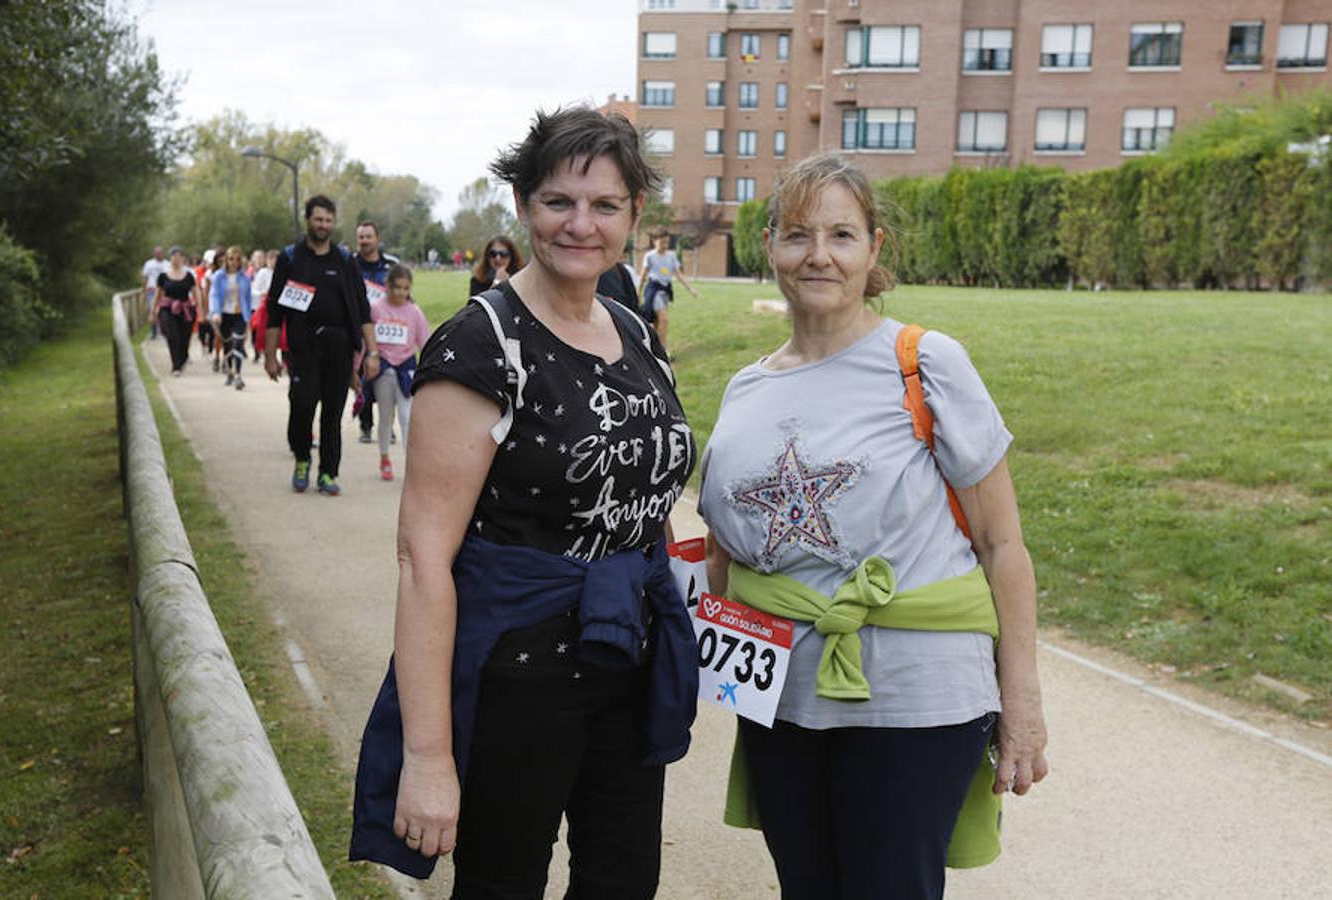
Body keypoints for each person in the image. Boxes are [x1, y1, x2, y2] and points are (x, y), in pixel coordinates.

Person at [349, 106, 699, 898]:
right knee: (503, 886)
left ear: (634, 215)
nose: (582, 225)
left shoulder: (632, 328)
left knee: (621, 883)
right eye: (558, 203)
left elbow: (647, 492)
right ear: (521, 205)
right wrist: (429, 756)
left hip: (627, 659)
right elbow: (423, 560)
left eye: (605, 205)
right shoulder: (480, 344)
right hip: (520, 676)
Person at [698, 154, 1049, 900]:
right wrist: (720, 678)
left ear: (874, 250)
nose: (818, 254)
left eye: (841, 234)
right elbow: (727, 553)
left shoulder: (925, 364)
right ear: (770, 247)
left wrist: (1022, 706)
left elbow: (1002, 545)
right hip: (783, 700)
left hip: (915, 699)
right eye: (798, 234)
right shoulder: (746, 388)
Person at [264, 195, 380, 496]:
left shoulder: (344, 261)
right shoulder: (291, 258)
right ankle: (302, 458)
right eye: (318, 219)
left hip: (339, 348)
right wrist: (270, 355)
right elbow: (274, 310)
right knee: (302, 405)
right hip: (303, 347)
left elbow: (362, 308)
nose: (323, 225)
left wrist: (372, 351)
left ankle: (328, 472)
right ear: (308, 220)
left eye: (328, 220)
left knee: (333, 412)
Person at [366, 263, 430, 481]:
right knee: (385, 417)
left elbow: (425, 342)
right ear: (388, 286)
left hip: (406, 370)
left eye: (405, 288)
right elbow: (367, 340)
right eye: (397, 288)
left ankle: (411, 465)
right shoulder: (376, 308)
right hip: (384, 370)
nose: (401, 293)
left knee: (407, 418)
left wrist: (430, 371)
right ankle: (384, 458)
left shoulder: (414, 312)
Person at [355, 220, 400, 443]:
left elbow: (404, 293)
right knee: (364, 380)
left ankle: (387, 425)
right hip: (361, 332)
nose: (364, 241)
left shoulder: (392, 264)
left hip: (388, 332)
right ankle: (365, 425)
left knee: (388, 382)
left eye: (368, 236)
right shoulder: (350, 264)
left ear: (377, 239)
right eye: (361, 237)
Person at [636, 232, 697, 346]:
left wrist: (690, 289)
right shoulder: (650, 256)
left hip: (665, 291)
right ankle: (662, 352)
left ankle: (652, 349)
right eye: (662, 242)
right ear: (655, 241)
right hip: (654, 290)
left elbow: (678, 274)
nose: (665, 245)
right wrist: (638, 292)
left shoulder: (671, 256)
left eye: (667, 242)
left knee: (658, 322)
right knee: (664, 319)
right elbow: (643, 275)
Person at [147, 246, 200, 375]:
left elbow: (196, 293)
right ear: (170, 258)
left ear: (183, 258)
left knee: (184, 337)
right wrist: (153, 311)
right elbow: (158, 294)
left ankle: (182, 359)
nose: (176, 259)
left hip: (185, 308)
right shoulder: (163, 276)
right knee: (172, 335)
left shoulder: (189, 276)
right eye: (173, 256)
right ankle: (176, 366)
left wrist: (200, 309)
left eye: (179, 256)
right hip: (167, 308)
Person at [210, 245, 253, 390]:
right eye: (230, 259)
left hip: (239, 314)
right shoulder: (218, 276)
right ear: (226, 260)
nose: (233, 262)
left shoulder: (245, 278)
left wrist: (249, 317)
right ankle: (229, 372)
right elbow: (214, 295)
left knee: (238, 344)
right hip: (224, 315)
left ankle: (238, 375)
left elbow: (247, 299)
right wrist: (215, 312)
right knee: (228, 345)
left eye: (237, 259)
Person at [250, 248, 277, 363]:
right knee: (257, 330)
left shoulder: (281, 272)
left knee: (272, 331)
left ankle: (272, 354)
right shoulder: (263, 272)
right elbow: (254, 289)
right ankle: (257, 351)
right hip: (260, 305)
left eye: (275, 259)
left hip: (274, 305)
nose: (273, 262)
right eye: (270, 259)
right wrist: (263, 293)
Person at [142, 246, 169, 339]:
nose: (158, 254)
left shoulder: (167, 264)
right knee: (152, 309)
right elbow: (145, 277)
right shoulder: (149, 264)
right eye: (156, 253)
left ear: (163, 253)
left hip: (164, 291)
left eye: (160, 252)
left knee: (163, 310)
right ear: (154, 253)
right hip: (152, 290)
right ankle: (153, 332)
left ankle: (164, 330)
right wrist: (144, 291)